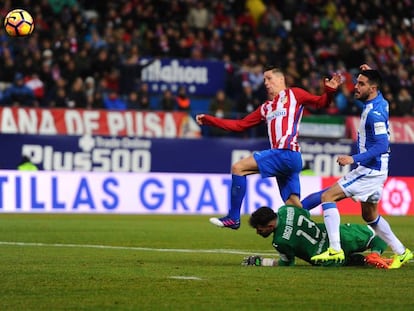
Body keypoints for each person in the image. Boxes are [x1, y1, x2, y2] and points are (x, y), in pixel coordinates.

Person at [195, 65, 343, 229]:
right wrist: (210, 120)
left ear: (281, 79)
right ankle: (340, 189)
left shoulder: (294, 94)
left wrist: (329, 92)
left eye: (269, 78)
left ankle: (233, 217)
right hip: (288, 160)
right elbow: (240, 125)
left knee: (238, 168)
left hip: (286, 153)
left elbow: (320, 102)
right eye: (264, 79)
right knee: (294, 208)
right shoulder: (266, 108)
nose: (265, 82)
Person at [301, 64, 413, 269]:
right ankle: (401, 252)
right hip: (378, 169)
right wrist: (372, 72)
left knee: (328, 197)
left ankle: (335, 249)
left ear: (372, 88)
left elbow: (382, 145)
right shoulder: (381, 102)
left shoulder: (374, 114)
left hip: (370, 169)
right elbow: (377, 86)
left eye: (361, 84)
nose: (356, 87)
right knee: (369, 215)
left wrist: (353, 159)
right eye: (357, 82)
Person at [244, 205, 391, 268]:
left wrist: (262, 262)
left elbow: (287, 264)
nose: (258, 232)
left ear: (269, 226)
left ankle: (362, 260)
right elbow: (306, 213)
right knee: (378, 234)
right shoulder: (287, 210)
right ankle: (375, 254)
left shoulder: (279, 241)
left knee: (348, 262)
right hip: (338, 235)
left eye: (259, 229)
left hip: (326, 258)